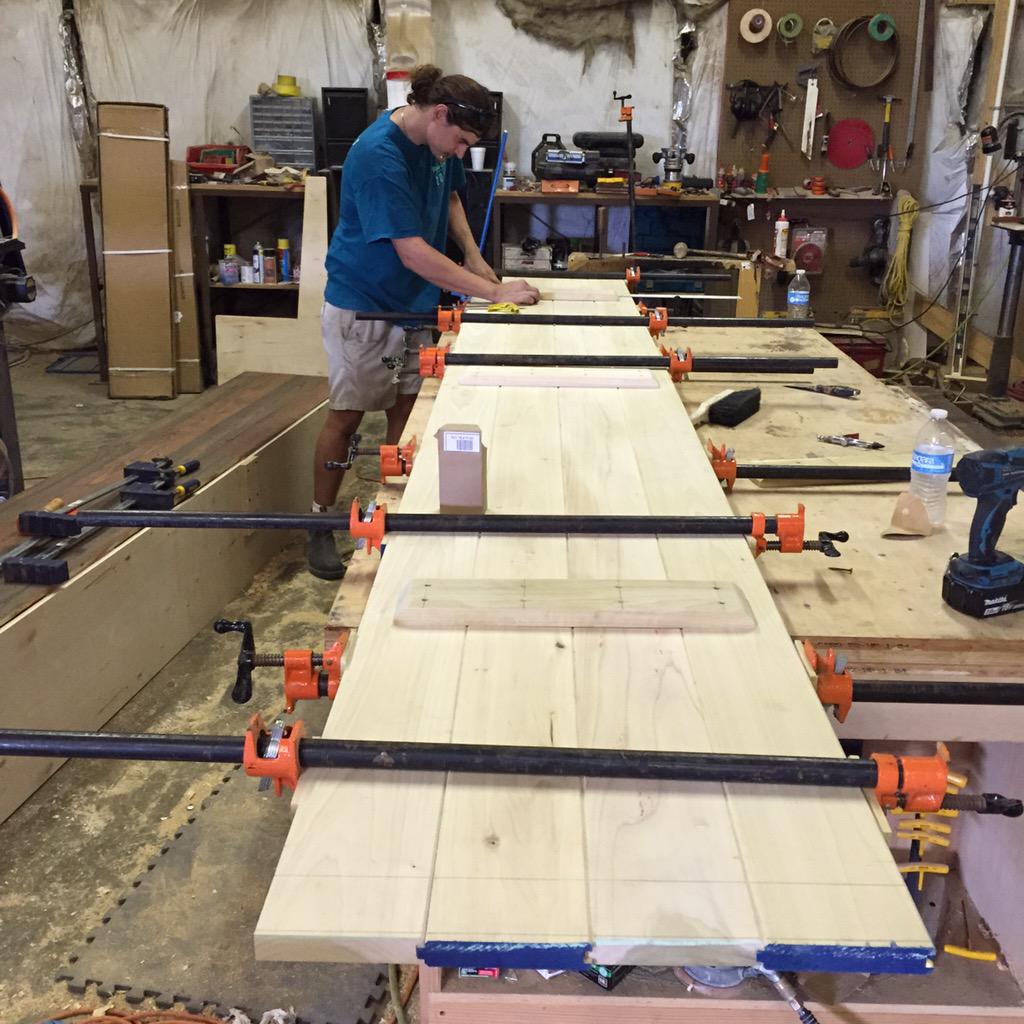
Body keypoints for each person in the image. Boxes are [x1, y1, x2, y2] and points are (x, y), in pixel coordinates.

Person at [308, 65, 540, 579]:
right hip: (364, 304)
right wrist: (493, 290)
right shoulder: (378, 155)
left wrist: (475, 260)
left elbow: (452, 196)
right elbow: (411, 251)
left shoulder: (440, 147)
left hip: (415, 302)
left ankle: (401, 513)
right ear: (438, 114)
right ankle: (319, 521)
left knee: (410, 413)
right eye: (459, 140)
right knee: (348, 417)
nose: (461, 152)